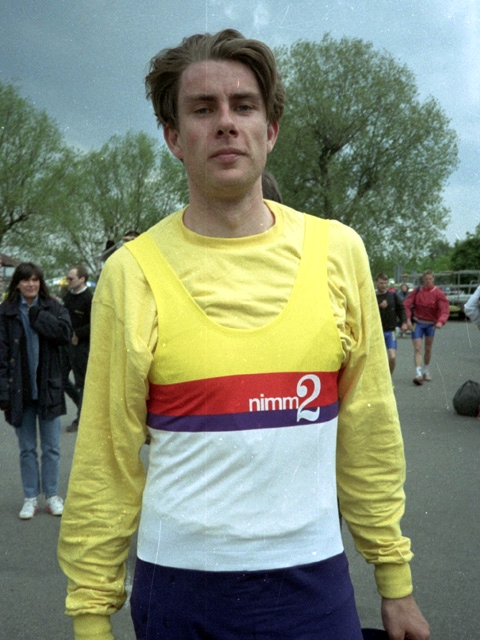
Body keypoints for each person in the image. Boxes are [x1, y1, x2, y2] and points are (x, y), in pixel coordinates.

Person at [58, 29, 430, 640]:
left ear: (271, 130)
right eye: (203, 109)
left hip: (314, 584)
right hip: (179, 590)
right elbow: (107, 456)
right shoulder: (132, 272)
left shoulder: (338, 252)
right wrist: (91, 615)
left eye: (244, 106)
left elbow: (369, 432)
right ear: (174, 137)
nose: (226, 123)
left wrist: (395, 580)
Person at [0, 262, 72, 519]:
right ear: (17, 283)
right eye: (25, 280)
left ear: (40, 283)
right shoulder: (6, 312)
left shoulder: (53, 307)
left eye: (35, 280)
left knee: (52, 447)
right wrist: (3, 392)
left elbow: (65, 334)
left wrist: (38, 316)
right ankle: (30, 497)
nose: (31, 284)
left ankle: (52, 496)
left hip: (48, 388)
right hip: (20, 390)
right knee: (27, 448)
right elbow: (1, 354)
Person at [404, 270, 450, 385]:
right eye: (426, 279)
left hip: (430, 324)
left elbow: (444, 309)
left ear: (433, 279)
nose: (428, 281)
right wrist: (408, 319)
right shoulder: (417, 291)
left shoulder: (438, 293)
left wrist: (441, 321)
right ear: (423, 280)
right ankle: (418, 373)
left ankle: (426, 369)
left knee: (428, 348)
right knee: (417, 348)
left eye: (430, 279)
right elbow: (406, 305)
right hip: (417, 323)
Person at [62, 266, 93, 433]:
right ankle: (80, 404)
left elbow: (95, 322)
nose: (68, 281)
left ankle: (81, 418)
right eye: (68, 278)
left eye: (71, 278)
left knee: (82, 382)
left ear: (82, 279)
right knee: (60, 378)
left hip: (82, 346)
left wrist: (78, 334)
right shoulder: (68, 297)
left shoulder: (89, 298)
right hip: (65, 343)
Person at [375, 273, 407, 375]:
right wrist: (379, 307)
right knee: (378, 359)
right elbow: (368, 313)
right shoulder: (373, 297)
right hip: (377, 332)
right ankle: (380, 379)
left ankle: (389, 378)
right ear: (376, 283)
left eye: (385, 283)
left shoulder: (392, 295)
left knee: (392, 357)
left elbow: (401, 309)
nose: (383, 285)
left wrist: (404, 322)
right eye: (381, 283)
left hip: (391, 331)